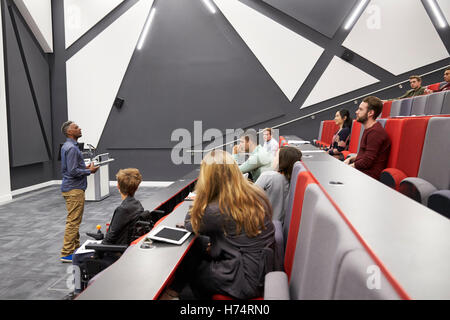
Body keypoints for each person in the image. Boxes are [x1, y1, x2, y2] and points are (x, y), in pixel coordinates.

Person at [163, 150, 277, 300]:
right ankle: (174, 291)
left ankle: (176, 292)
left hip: (243, 279)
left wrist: (202, 195)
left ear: (208, 179)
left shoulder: (218, 209)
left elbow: (190, 223)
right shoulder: (254, 193)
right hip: (261, 269)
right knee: (198, 244)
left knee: (194, 270)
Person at [60, 121, 98, 263]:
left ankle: (74, 248)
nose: (79, 128)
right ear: (69, 132)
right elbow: (73, 171)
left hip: (72, 187)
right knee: (73, 222)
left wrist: (85, 167)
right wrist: (89, 170)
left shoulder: (69, 147)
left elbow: (73, 167)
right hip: (73, 189)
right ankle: (67, 252)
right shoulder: (71, 148)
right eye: (76, 127)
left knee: (75, 220)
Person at [344, 96, 391, 180]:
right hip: (362, 173)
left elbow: (367, 162)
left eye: (360, 109)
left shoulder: (375, 132)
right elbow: (365, 155)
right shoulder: (370, 129)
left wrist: (348, 167)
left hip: (368, 178)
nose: (356, 112)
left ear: (370, 113)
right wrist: (351, 159)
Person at [255, 146, 302, 222]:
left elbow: (248, 199)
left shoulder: (268, 176)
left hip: (260, 224)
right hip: (278, 226)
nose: (273, 159)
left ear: (282, 161)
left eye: (276, 156)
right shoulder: (293, 180)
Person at [102, 168, 144, 245]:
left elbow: (109, 238)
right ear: (136, 188)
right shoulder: (138, 205)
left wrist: (96, 254)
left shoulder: (122, 210)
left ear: (118, 186)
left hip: (117, 251)